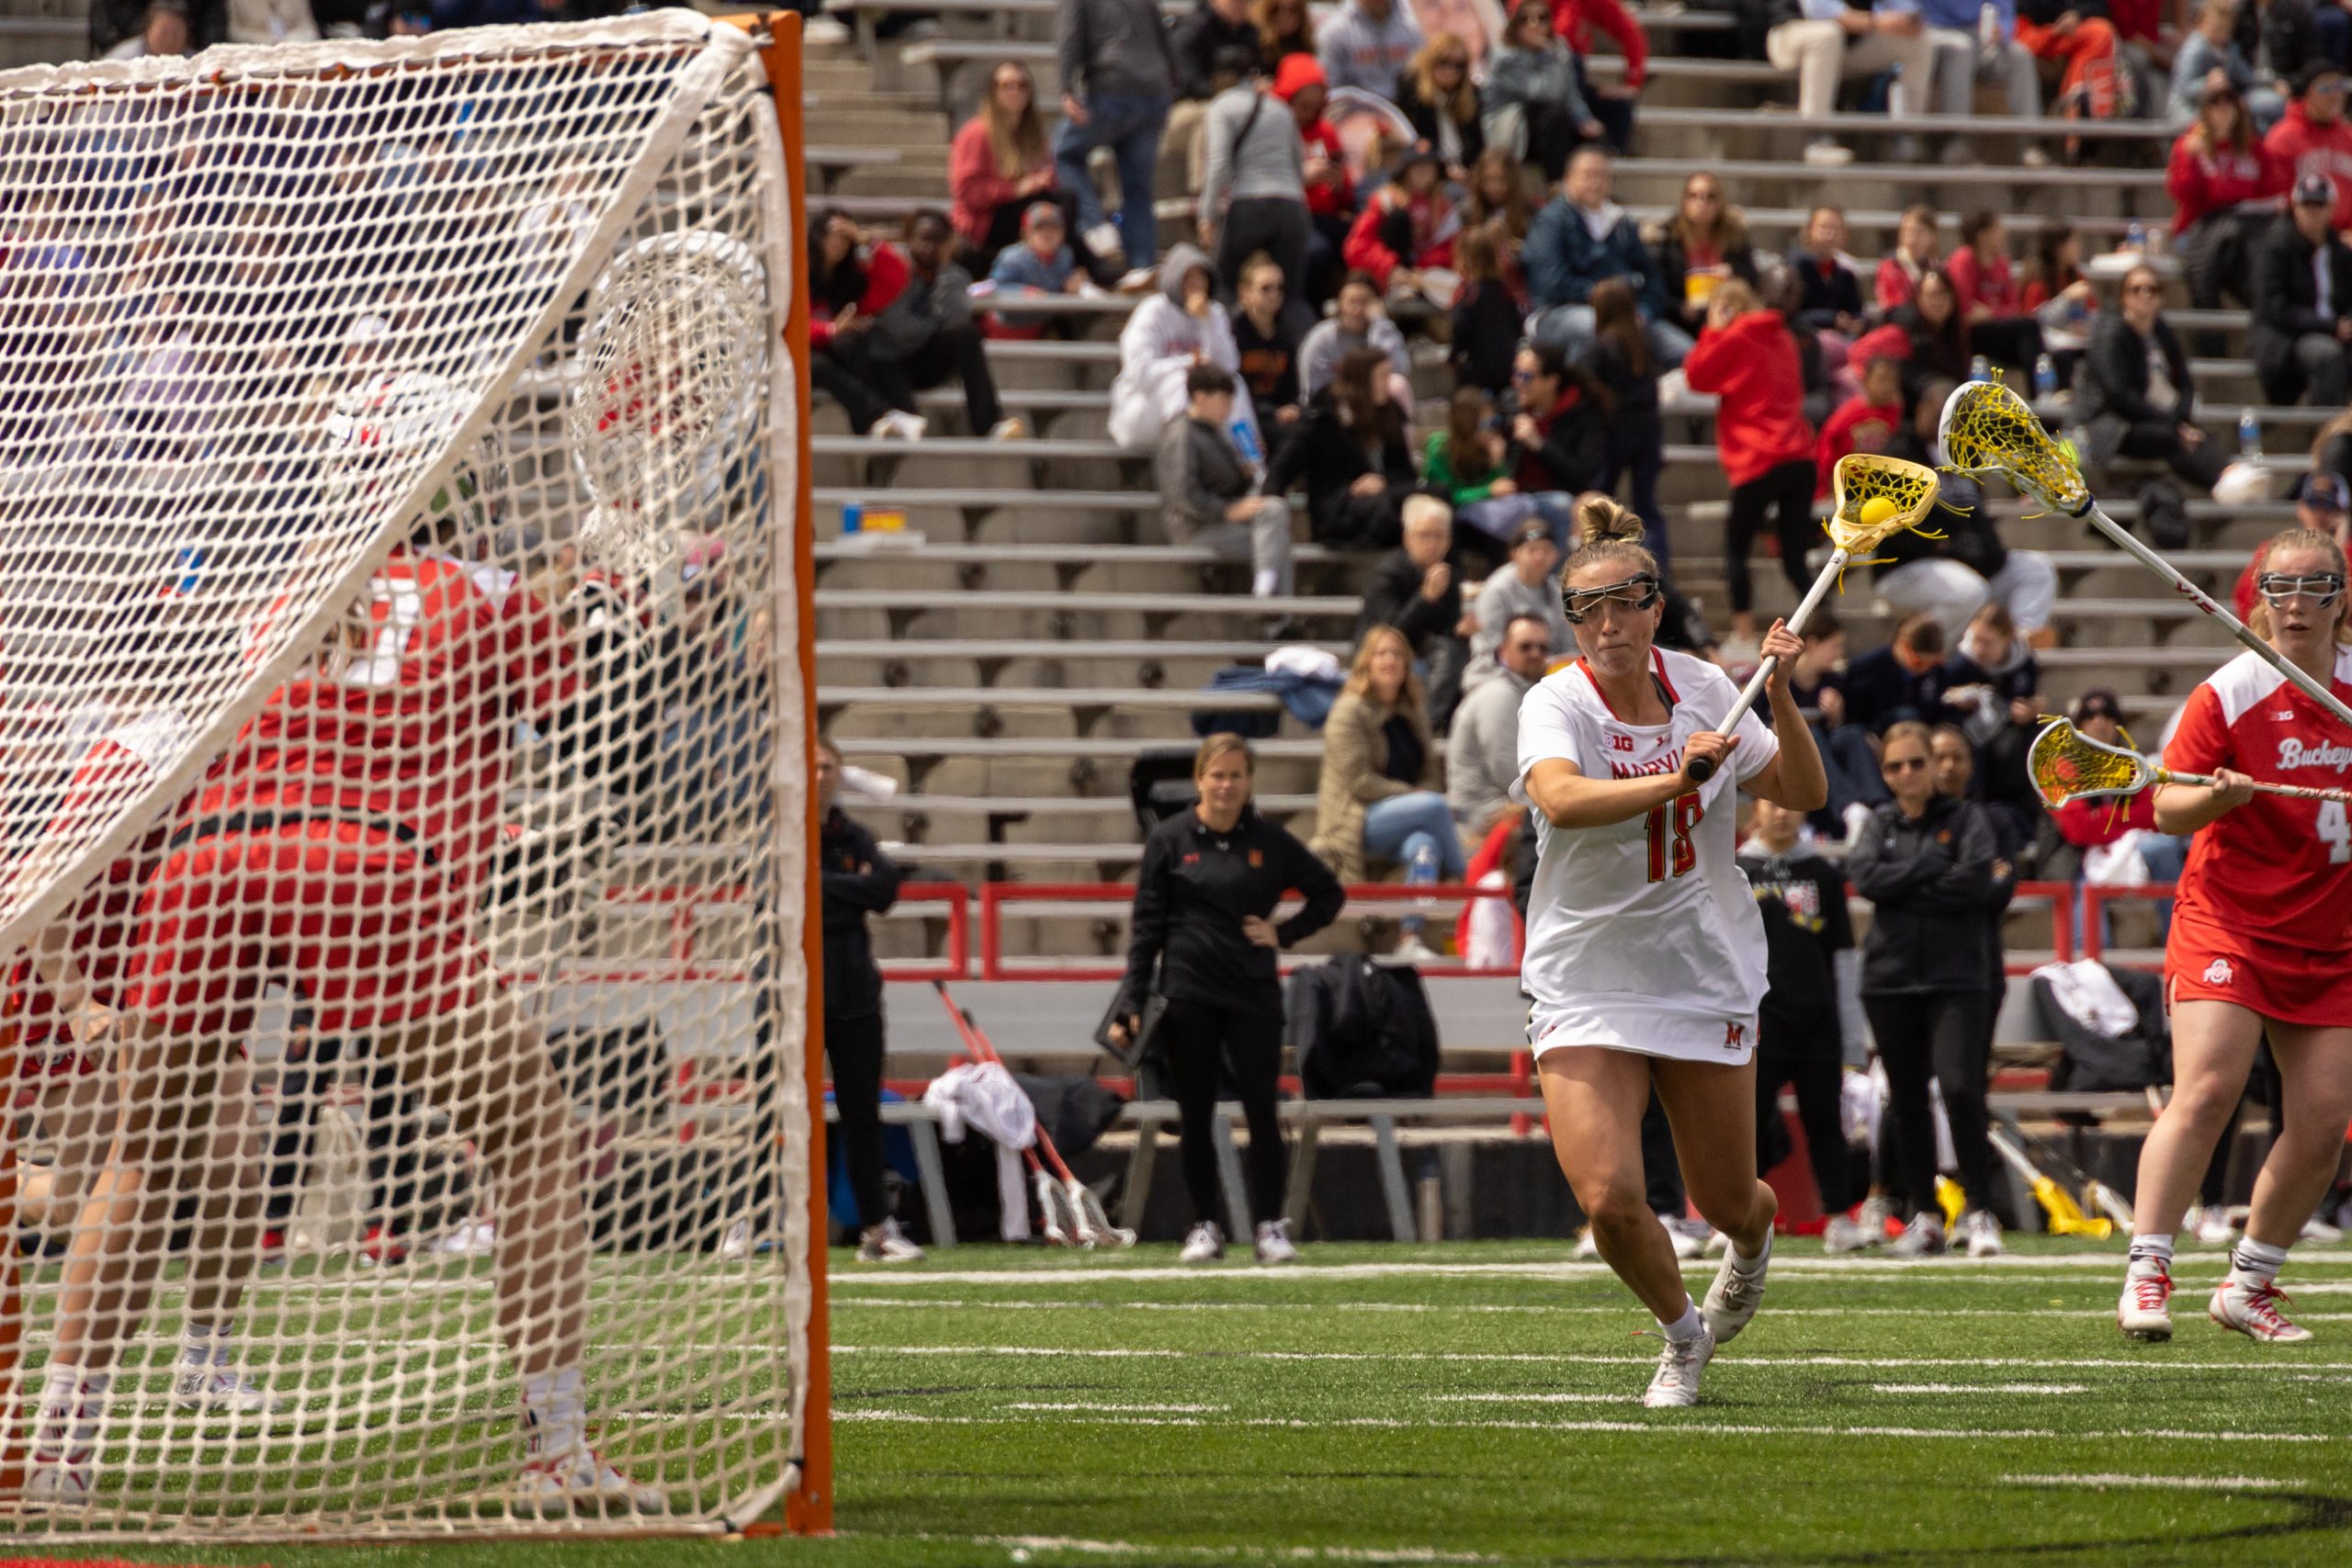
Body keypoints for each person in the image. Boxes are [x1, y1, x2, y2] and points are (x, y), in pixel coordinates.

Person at [26, 538, 659, 1510]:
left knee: (140, 1161)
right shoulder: (482, 591)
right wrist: (605, 613)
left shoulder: (292, 585)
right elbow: (605, 740)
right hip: (370, 860)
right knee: (533, 1141)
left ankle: (59, 1455)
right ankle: (555, 1450)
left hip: (210, 860)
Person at [1511, 496, 1826, 1404]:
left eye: (1625, 601)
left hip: (1698, 963)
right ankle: (1681, 1338)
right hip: (1585, 971)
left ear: (1656, 603)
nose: (1607, 622)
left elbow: (1801, 790)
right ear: (1569, 619)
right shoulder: (1555, 700)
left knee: (1728, 1201)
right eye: (1586, 607)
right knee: (1607, 1194)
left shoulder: (1705, 688)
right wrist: (1669, 778)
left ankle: (1754, 1242)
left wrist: (1776, 693)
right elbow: (1561, 800)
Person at [2116, 527, 2352, 1345]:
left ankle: (2249, 1281)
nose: (2298, 603)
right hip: (2233, 921)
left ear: (2340, 598)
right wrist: (2217, 797)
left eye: (2317, 586)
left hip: (2333, 935)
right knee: (2210, 1089)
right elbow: (2164, 807)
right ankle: (2148, 1268)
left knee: (2324, 1120)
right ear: (2261, 597)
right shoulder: (2231, 692)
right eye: (2282, 587)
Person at [1111, 734, 1345, 1264]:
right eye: (1217, 775)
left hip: (1253, 992)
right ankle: (1204, 1224)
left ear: (1249, 781)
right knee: (1194, 1111)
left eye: (1236, 775)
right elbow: (1146, 927)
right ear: (1199, 780)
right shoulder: (1169, 839)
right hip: (1187, 993)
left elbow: (1329, 892)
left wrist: (1282, 934)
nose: (1226, 785)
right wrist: (1132, 997)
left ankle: (1268, 1226)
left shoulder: (1269, 839)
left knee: (1263, 1110)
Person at [1846, 720, 2007, 1260]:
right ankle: (1925, 1214)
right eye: (1895, 766)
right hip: (1889, 979)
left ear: (1933, 766)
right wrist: (1932, 869)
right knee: (1907, 1099)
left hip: (1958, 977)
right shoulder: (1877, 823)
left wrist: (1904, 880)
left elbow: (1976, 881)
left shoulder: (1967, 818)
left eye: (1916, 763)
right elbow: (1865, 878)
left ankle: (1981, 1211)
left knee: (1961, 1090)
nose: (1907, 774)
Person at [1739, 797, 1874, 1254]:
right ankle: (1738, 1219)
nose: (1782, 811)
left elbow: (1843, 957)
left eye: (1790, 803)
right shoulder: (1736, 871)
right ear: (1754, 810)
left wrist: (1852, 1038)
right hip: (1759, 1021)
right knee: (1748, 1124)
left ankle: (1838, 1216)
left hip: (1818, 1020)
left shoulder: (1824, 873)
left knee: (1826, 1124)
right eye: (1771, 802)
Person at [814, 738, 922, 1265]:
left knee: (863, 1115)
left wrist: (823, 889)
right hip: (791, 994)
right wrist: (845, 887)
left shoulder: (853, 834)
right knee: (778, 1114)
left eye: (827, 766)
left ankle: (877, 1228)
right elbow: (778, 891)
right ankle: (756, 1219)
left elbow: (883, 890)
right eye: (809, 765)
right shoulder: (774, 832)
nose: (819, 775)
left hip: (854, 993)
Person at [1311, 624, 1465, 963]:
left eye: (1397, 654)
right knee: (1435, 807)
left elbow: (1429, 770)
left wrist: (1421, 793)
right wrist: (1412, 794)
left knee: (1425, 847)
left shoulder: (1412, 711)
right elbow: (1359, 781)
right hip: (1356, 816)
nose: (1390, 661)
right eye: (1382, 653)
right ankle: (1470, 880)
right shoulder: (1348, 711)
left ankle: (1409, 935)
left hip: (1406, 818)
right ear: (1367, 662)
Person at [1683, 279, 1816, 651]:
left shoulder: (1736, 336)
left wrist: (1712, 330)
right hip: (1799, 454)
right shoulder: (1784, 336)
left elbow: (1696, 375)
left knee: (1736, 549)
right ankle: (1823, 625)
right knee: (1795, 559)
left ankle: (1743, 634)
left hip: (1759, 456)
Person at [865, 209, 1021, 442]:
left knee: (966, 333)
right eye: (923, 239)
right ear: (909, 239)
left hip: (929, 361)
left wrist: (943, 273)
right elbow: (898, 328)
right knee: (909, 429)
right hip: (891, 361)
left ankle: (989, 424)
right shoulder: (893, 268)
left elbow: (956, 319)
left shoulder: (955, 276)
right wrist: (935, 324)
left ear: (948, 244)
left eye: (937, 240)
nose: (929, 247)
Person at [1525, 148, 1689, 367]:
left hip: (1627, 315)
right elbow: (1551, 282)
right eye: (1587, 176)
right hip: (1560, 313)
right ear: (1568, 179)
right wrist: (1606, 303)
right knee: (1595, 330)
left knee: (1687, 353)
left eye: (1602, 176)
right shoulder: (1551, 221)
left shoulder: (1620, 223)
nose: (1595, 183)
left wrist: (1644, 312)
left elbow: (1652, 278)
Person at [2075, 262, 2228, 494]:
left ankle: (2229, 475)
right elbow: (2120, 396)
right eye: (2136, 289)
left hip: (2154, 418)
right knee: (2168, 437)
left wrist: (2179, 419)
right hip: (2111, 424)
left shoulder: (2162, 331)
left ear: (2161, 298)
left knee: (2204, 437)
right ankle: (2220, 486)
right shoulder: (2111, 334)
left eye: (2152, 289)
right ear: (2123, 297)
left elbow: (2185, 384)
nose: (2145, 295)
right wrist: (2172, 424)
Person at [951, 62, 1113, 279]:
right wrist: (1016, 189)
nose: (1015, 92)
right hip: (988, 220)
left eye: (1022, 85)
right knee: (1057, 206)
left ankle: (1078, 268)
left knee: (1064, 202)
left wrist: (1040, 182)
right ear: (993, 92)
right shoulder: (976, 133)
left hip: (1027, 212)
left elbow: (1051, 182)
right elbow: (967, 192)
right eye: (1007, 85)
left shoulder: (1035, 136)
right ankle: (1092, 269)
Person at [1054, 0, 1180, 272]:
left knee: (1063, 155)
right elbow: (1165, 36)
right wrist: (1171, 87)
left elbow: (1069, 37)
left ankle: (1096, 227)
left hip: (1111, 88)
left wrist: (1066, 87)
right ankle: (1141, 267)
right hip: (1155, 92)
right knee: (1138, 189)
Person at [1157, 363, 1297, 602]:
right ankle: (1272, 606)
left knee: (1275, 519)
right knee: (1277, 537)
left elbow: (1225, 485)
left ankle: (1269, 599)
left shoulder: (1216, 432)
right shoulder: (1182, 434)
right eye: (1224, 401)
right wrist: (1227, 511)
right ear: (1201, 397)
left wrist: (1244, 472)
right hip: (1195, 527)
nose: (1229, 408)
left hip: (1220, 522)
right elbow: (1182, 494)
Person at [1266, 344, 1419, 547]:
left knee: (1435, 497)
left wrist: (1384, 481)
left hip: (1384, 499)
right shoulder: (1323, 417)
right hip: (1339, 509)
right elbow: (1283, 467)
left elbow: (1406, 473)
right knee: (1387, 507)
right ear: (1363, 379)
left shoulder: (1390, 412)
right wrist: (1269, 509)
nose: (1388, 383)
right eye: (1383, 375)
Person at [1110, 244, 1255, 450]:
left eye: (1200, 277)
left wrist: (1206, 323)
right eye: (1188, 277)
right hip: (1142, 409)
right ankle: (1190, 454)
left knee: (1235, 385)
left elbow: (1228, 366)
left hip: (1201, 411)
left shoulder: (1215, 313)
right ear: (1174, 279)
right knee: (1182, 382)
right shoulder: (1151, 311)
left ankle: (1251, 461)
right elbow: (1140, 373)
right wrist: (1188, 363)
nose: (1195, 283)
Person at [1764, 0, 1937, 166]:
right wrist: (1876, 21)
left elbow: (1903, 7)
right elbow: (1819, 10)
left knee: (1918, 41)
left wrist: (1907, 20)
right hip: (1789, 36)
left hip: (1844, 46)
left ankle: (1907, 136)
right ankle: (1817, 140)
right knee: (1827, 33)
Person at [2170, 75, 2285, 320]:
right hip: (2198, 229)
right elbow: (2185, 194)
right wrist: (2193, 161)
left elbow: (2273, 191)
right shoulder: (2188, 146)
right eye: (2215, 102)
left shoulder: (2253, 147)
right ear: (2204, 109)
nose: (2222, 108)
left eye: (2229, 101)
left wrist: (2226, 192)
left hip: (2246, 231)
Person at [1199, 60, 1312, 306]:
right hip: (1292, 206)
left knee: (1224, 289)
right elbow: (1299, 165)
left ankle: (1225, 342)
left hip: (1248, 203)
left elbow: (1219, 165)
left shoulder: (1222, 106)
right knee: (1290, 297)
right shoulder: (1280, 109)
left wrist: (1206, 215)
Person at [1358, 495, 1477, 725]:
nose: (1432, 543)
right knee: (1447, 657)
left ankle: (1437, 725)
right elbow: (1389, 633)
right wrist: (1425, 598)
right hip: (1380, 653)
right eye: (1424, 536)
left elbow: (1444, 629)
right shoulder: (1388, 574)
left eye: (1439, 536)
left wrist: (1460, 630)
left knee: (1461, 655)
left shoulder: (1448, 575)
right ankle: (1426, 725)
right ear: (1407, 538)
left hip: (1428, 653)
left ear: (1449, 542)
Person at [808, 210, 922, 442]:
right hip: (806, 351)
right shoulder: (796, 273)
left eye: (845, 237)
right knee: (819, 365)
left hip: (841, 348)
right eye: (833, 235)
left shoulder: (851, 277)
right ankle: (880, 417)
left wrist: (866, 239)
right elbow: (791, 324)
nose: (839, 243)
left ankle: (878, 424)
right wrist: (830, 330)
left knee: (858, 344)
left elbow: (896, 277)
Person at [1580, 277, 1667, 568]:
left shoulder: (1600, 344)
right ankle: (1659, 570)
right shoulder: (1645, 341)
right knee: (1647, 506)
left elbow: (1581, 377)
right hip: (1648, 428)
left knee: (1603, 498)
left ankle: (1603, 562)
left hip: (1614, 430)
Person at [2249, 172, 2352, 408]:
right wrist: (2329, 326)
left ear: (2331, 208)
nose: (2313, 212)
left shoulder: (2340, 253)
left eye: (2319, 204)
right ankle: (2330, 438)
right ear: (2294, 207)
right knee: (2328, 355)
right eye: (2306, 205)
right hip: (2288, 337)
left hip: (2336, 330)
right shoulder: (2275, 248)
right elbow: (2273, 306)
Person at [1449, 612, 1554, 843]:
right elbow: (1509, 773)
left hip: (1508, 807)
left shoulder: (1527, 693)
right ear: (1504, 651)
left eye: (1543, 648)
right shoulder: (1499, 696)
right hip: (1481, 816)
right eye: (1525, 647)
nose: (1536, 654)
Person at [1482, 0, 1602, 180]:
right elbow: (1544, 92)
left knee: (1594, 135)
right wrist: (1549, 54)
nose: (1534, 24)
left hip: (1547, 123)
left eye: (1542, 18)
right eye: (1526, 19)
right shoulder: (1504, 56)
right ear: (1515, 23)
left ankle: (1595, 188)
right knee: (1556, 115)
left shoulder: (1559, 47)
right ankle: (1556, 183)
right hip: (1512, 124)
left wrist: (1583, 119)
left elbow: (1570, 93)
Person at [1503, 341, 1605, 548]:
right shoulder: (1509, 407)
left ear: (1551, 382)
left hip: (1560, 496)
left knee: (1567, 506)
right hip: (1512, 496)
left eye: (1526, 376)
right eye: (1516, 373)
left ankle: (1558, 578)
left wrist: (1540, 445)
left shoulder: (1582, 414)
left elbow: (1583, 474)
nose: (1517, 382)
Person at [1273, 55, 1359, 301]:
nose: (1309, 113)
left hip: (1326, 216)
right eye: (1303, 106)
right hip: (1292, 216)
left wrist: (1340, 185)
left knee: (1366, 239)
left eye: (1315, 106)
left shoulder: (1326, 132)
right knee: (1317, 251)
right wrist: (1302, 178)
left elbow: (1346, 195)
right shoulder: (1273, 130)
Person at [1650, 173, 1759, 344]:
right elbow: (1656, 285)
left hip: (1727, 317)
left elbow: (1752, 277)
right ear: (1684, 201)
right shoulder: (1668, 237)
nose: (1702, 203)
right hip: (1680, 320)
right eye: (1694, 196)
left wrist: (1732, 271)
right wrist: (1679, 307)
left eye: (1710, 197)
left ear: (1720, 203)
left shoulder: (1734, 236)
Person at [1464, 516, 1573, 686]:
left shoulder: (1558, 591)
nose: (1539, 556)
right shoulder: (1496, 591)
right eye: (1532, 550)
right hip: (1499, 676)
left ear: (1556, 555)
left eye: (1545, 550)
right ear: (1514, 554)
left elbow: (1569, 646)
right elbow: (1494, 649)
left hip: (1549, 674)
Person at [1923, 0, 2042, 152]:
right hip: (1935, 31)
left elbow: (2005, 14)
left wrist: (2000, 29)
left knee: (2020, 56)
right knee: (1961, 49)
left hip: (1980, 37)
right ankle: (1956, 142)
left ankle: (2030, 145)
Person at [1422, 384, 1530, 550]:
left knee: (1529, 506)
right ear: (1467, 425)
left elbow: (1503, 488)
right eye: (1485, 424)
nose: (1492, 429)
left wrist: (1497, 463)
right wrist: (1487, 491)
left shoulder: (1489, 447)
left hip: (1486, 506)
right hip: (1456, 511)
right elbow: (1447, 495)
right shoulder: (1439, 449)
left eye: (1495, 422)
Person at [1342, 148, 1460, 299]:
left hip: (1428, 280)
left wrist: (1422, 269)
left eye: (1428, 165)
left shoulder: (1446, 209)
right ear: (1405, 170)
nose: (1422, 170)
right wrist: (1391, 268)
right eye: (1416, 165)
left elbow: (1452, 248)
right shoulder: (1385, 201)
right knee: (1398, 219)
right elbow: (1357, 245)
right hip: (1386, 278)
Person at [1851, 266, 1973, 400]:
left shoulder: (1953, 332)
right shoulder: (1903, 328)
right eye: (1932, 294)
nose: (1938, 301)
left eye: (1944, 293)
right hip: (1905, 397)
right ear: (1918, 298)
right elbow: (1860, 352)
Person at [1943, 211, 2043, 372]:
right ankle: (2038, 391)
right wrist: (1995, 313)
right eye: (1998, 229)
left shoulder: (2001, 263)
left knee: (2052, 352)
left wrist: (1991, 313)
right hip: (1971, 334)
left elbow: (2014, 306)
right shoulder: (1963, 260)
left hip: (1997, 326)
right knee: (2029, 328)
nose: (2003, 234)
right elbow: (1965, 310)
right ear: (1983, 235)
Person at [1298, 269, 1413, 404]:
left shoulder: (1381, 331)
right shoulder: (1322, 338)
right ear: (1340, 303)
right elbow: (1313, 388)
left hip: (1375, 408)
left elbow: (1398, 370)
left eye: (1364, 302)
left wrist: (1380, 323)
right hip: (1332, 409)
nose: (1357, 310)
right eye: (1351, 302)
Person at [2264, 62, 2352, 234]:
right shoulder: (2283, 138)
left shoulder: (2348, 138)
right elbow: (2276, 200)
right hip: (2296, 238)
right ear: (2306, 94)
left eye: (2339, 87)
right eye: (2325, 88)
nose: (2335, 95)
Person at [984, 203, 1099, 335]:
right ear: (1026, 233)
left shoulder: (1065, 255)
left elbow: (1064, 286)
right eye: (1040, 228)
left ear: (1063, 232)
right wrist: (1024, 292)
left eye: (1054, 227)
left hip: (1041, 324)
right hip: (1007, 326)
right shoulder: (1011, 257)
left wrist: (1074, 284)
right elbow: (993, 287)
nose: (1047, 233)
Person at [2169, 0, 2278, 130]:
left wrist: (2273, 83)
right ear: (2204, 22)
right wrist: (2208, 84)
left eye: (2225, 27)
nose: (2221, 31)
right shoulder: (2195, 49)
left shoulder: (2228, 50)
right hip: (2190, 107)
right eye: (2216, 26)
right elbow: (2185, 88)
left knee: (2270, 104)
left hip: (2222, 102)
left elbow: (2246, 77)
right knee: (2220, 118)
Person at [1844, 612, 1959, 734]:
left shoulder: (1937, 673)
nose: (1925, 669)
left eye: (1932, 663)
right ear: (1903, 646)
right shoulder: (1865, 669)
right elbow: (1855, 717)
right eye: (1918, 663)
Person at [2015, 0, 2121, 128]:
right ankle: (2073, 117)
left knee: (2103, 33)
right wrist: (2056, 28)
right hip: (2032, 34)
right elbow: (2021, 23)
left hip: (2071, 35)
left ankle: (2077, 110)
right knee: (2102, 35)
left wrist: (2075, 15)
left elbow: (2099, 5)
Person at [1449, 224, 1527, 395]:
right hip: (1508, 366)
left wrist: (1453, 356)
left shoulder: (1469, 293)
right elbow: (1517, 324)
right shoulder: (1505, 290)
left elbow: (1460, 326)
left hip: (1479, 371)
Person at [1395, 31, 1486, 178]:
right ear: (1430, 61)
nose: (1451, 71)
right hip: (1427, 175)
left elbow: (1478, 149)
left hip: (1466, 175)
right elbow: (1413, 146)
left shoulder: (1472, 97)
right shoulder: (1412, 95)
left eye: (1459, 66)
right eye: (1444, 62)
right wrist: (1446, 171)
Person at [1231, 254, 1306, 425]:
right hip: (1243, 417)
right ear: (1245, 293)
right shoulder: (1232, 332)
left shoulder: (1286, 334)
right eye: (1266, 288)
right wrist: (1271, 412)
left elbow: (1292, 389)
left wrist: (1291, 408)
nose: (1275, 294)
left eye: (1279, 288)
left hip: (1281, 417)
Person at [1815, 355, 1904, 493]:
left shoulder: (1895, 412)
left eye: (1893, 381)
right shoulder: (1846, 416)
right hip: (1844, 488)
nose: (1888, 387)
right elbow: (1825, 459)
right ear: (1865, 381)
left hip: (1880, 487)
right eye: (1882, 380)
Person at [1316, 0, 1423, 100]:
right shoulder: (1334, 33)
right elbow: (1331, 88)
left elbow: (1423, 79)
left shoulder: (1413, 27)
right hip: (1356, 111)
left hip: (1405, 109)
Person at [1786, 206, 1865, 338]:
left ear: (1845, 235)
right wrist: (1831, 319)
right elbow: (1791, 314)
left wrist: (1859, 322)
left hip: (1841, 337)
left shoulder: (1846, 275)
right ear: (1810, 230)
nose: (1830, 235)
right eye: (1823, 228)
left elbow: (1856, 312)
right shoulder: (1796, 266)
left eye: (1836, 230)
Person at [1873, 204, 1942, 315]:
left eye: (1919, 232)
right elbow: (1892, 306)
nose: (1912, 239)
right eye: (1907, 232)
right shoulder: (1890, 265)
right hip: (1900, 322)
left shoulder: (1937, 267)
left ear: (1932, 236)